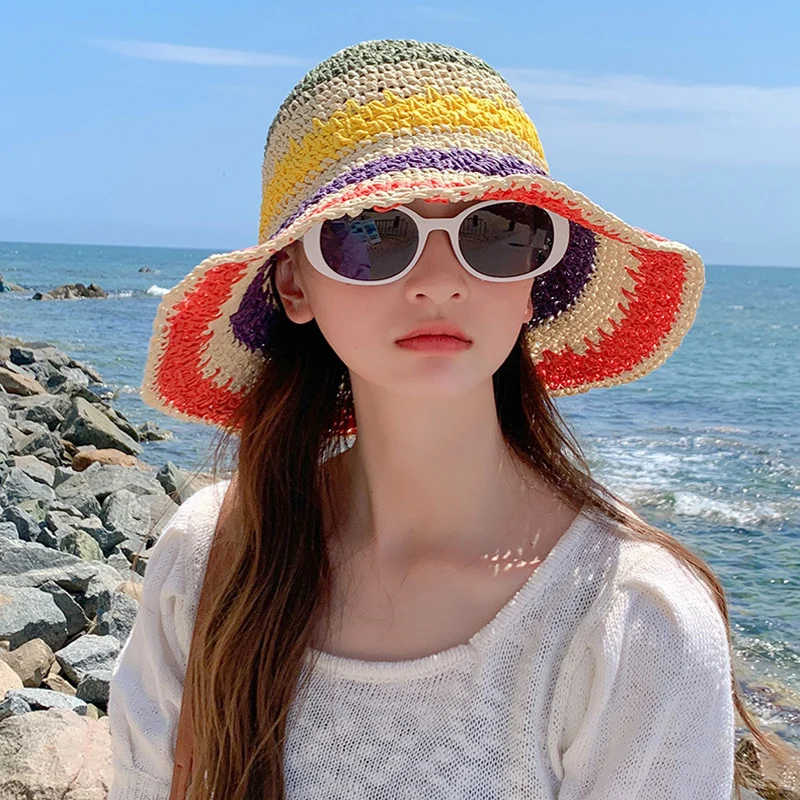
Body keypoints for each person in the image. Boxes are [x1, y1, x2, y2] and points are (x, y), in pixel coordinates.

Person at [106, 38, 790, 800]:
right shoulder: (214, 558)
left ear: (534, 283)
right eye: (371, 231)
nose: (439, 281)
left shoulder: (632, 616)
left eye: (496, 232)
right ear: (294, 283)